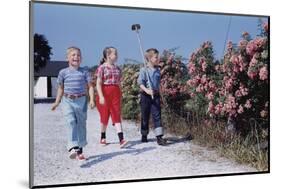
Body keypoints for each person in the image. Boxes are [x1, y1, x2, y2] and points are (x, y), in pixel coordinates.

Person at [51, 46, 95, 160]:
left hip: (81, 101)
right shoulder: (63, 72)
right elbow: (60, 88)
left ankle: (80, 149)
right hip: (67, 100)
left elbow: (90, 87)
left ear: (82, 58)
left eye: (78, 55)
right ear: (67, 58)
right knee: (70, 121)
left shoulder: (84, 72)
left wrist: (92, 100)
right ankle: (72, 147)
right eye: (73, 55)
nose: (76, 57)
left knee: (81, 124)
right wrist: (57, 102)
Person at [95, 46, 128, 148]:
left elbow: (119, 83)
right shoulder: (102, 68)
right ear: (108, 56)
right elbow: (98, 83)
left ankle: (121, 139)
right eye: (115, 54)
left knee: (116, 114)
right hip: (105, 92)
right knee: (104, 116)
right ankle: (103, 137)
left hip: (116, 93)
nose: (117, 55)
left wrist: (122, 92)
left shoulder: (118, 68)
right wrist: (100, 96)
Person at [137, 48, 167, 145]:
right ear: (149, 58)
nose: (158, 59)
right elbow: (140, 83)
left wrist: (160, 94)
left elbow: (158, 84)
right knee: (145, 115)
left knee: (157, 115)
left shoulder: (158, 70)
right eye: (156, 57)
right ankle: (144, 134)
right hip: (145, 95)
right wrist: (147, 90)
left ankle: (159, 137)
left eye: (158, 57)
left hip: (156, 95)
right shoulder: (144, 70)